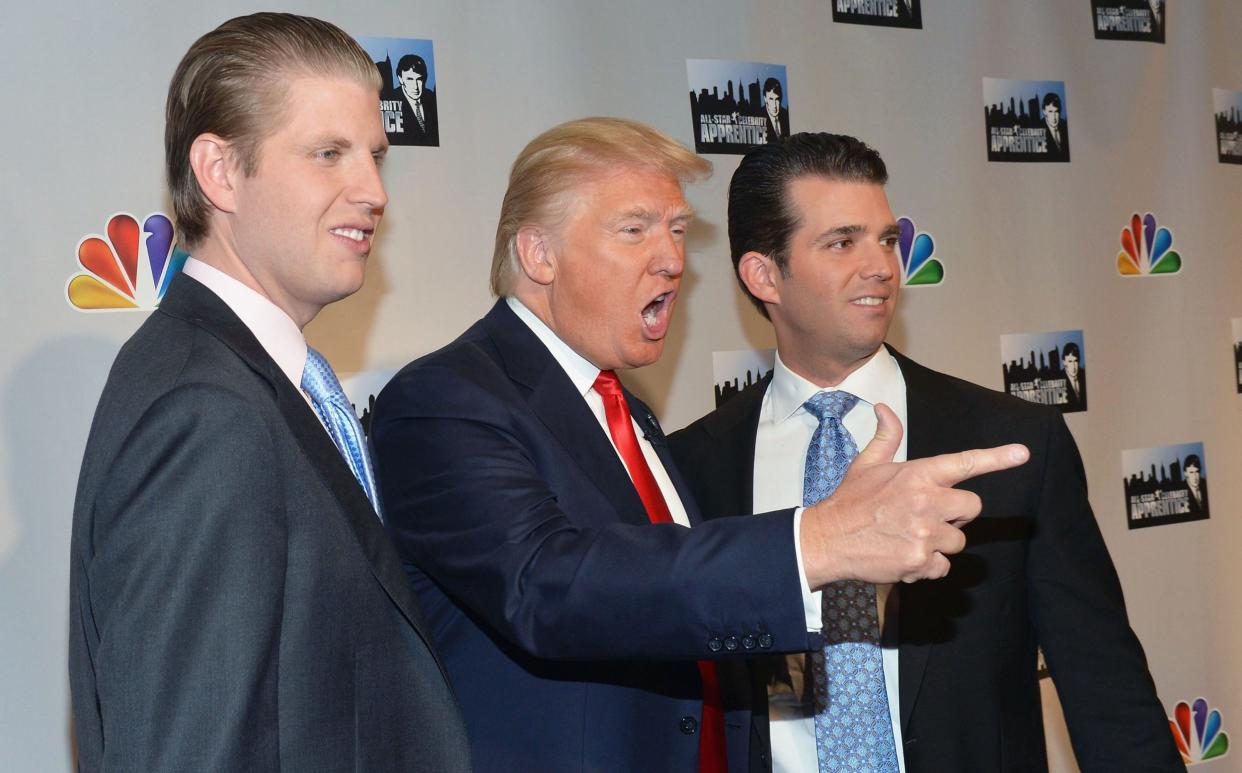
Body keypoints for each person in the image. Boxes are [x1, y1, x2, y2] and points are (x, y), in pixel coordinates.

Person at [371, 117, 1027, 771]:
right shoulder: (446, 399)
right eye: (634, 229)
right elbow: (546, 584)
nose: (673, 258)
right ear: (539, 254)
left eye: (678, 229)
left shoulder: (626, 410)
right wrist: (816, 542)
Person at [669, 132, 1181, 772]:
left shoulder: (1011, 445)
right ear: (763, 274)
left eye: (886, 238)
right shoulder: (692, 466)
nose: (882, 266)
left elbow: (1108, 692)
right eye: (841, 242)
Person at [68, 13, 469, 771]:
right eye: (328, 154)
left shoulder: (247, 381)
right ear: (219, 171)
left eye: (376, 157)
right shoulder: (205, 413)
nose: (375, 191)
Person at [396, 53, 439, 146]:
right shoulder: (391, 99)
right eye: (410, 79)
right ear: (400, 79)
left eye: (419, 79)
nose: (415, 86)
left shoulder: (431, 98)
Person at [1043, 91, 1069, 160]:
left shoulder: (1065, 125)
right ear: (1044, 111)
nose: (1054, 117)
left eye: (1056, 111)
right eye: (1050, 111)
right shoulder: (1038, 128)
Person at [762, 77, 790, 142]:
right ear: (765, 98)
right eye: (771, 99)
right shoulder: (759, 115)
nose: (774, 105)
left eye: (777, 99)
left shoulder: (786, 115)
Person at [1062, 341, 1087, 411]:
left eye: (1075, 361)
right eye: (1070, 361)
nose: (1073, 366)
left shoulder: (1084, 374)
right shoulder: (1059, 378)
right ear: (1064, 362)